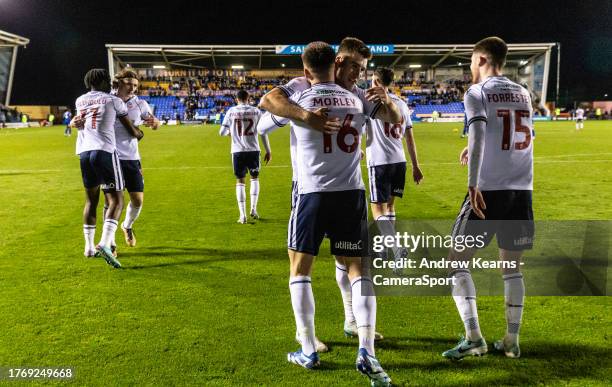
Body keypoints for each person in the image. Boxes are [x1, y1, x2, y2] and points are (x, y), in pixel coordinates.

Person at [259, 36, 398, 343]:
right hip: (308, 183)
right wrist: (304, 117)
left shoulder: (359, 94)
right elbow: (268, 105)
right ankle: (306, 333)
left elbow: (394, 118)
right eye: (354, 67)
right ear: (337, 62)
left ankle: (349, 320)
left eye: (362, 69)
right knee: (311, 261)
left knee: (341, 260)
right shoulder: (301, 85)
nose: (358, 75)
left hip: (339, 186)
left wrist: (386, 99)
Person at [282, 41, 391, 386]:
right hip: (351, 194)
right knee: (359, 271)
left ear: (305, 70)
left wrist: (303, 117)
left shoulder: (301, 98)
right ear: (337, 64)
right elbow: (393, 119)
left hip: (312, 194)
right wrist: (387, 102)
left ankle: (308, 349)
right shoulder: (357, 98)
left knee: (300, 270)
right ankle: (366, 349)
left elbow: (268, 105)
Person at [443, 37, 534, 360]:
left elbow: (480, 130)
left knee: (456, 262)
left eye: (470, 62)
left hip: (488, 189)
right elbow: (521, 137)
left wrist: (473, 184)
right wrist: (477, 149)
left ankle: (474, 337)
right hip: (521, 191)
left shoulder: (477, 92)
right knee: (511, 267)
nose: (470, 68)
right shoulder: (523, 92)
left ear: (481, 58)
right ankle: (512, 340)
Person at [73, 68, 143, 268]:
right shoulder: (114, 101)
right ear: (105, 82)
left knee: (91, 201)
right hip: (104, 152)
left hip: (84, 153)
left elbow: (80, 122)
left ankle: (88, 247)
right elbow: (131, 130)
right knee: (117, 200)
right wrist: (139, 134)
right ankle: (105, 243)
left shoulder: (80, 100)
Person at [365, 67, 423, 263]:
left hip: (379, 162)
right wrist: (415, 166)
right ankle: (384, 249)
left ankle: (395, 247)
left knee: (377, 209)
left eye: (373, 80)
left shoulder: (369, 103)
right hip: (400, 162)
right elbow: (410, 138)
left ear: (377, 82)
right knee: (389, 207)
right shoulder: (402, 104)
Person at [107, 69, 160, 250]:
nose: (133, 88)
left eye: (136, 85)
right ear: (119, 83)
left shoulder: (141, 104)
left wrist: (156, 124)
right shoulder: (107, 101)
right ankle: (110, 242)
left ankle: (127, 226)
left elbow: (154, 122)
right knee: (112, 202)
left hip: (131, 157)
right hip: (110, 157)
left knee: (137, 200)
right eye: (129, 83)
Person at [219, 89, 270, 223]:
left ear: (237, 99)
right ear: (249, 98)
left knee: (240, 181)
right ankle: (253, 209)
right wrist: (268, 150)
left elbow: (221, 132)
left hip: (237, 151)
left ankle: (242, 215)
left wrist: (232, 133)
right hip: (254, 150)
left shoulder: (231, 111)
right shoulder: (256, 111)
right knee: (255, 178)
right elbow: (263, 132)